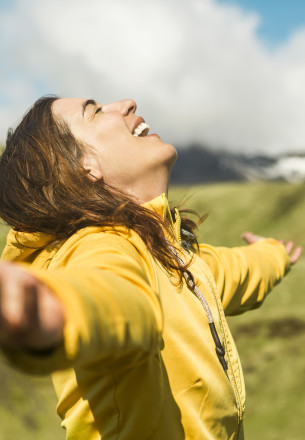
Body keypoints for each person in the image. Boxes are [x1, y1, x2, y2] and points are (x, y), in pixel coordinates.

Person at [0, 96, 301, 440]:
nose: (127, 103)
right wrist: (50, 308)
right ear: (84, 166)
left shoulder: (171, 256)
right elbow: (112, 295)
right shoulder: (102, 244)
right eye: (95, 111)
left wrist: (274, 254)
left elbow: (232, 270)